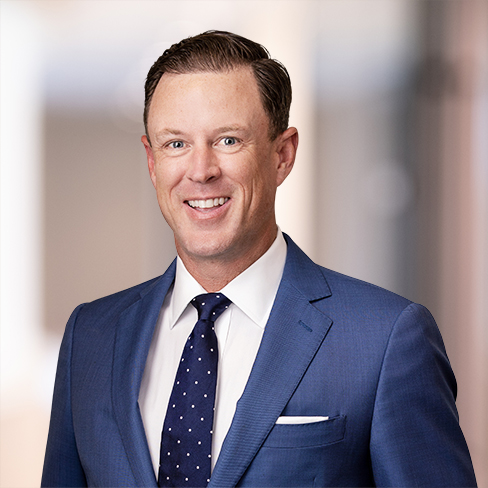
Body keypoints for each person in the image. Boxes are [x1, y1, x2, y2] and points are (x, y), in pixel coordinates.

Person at [41, 31, 477, 488]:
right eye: (176, 144)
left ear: (282, 155)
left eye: (228, 140)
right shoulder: (90, 337)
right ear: (152, 161)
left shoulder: (386, 340)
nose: (201, 171)